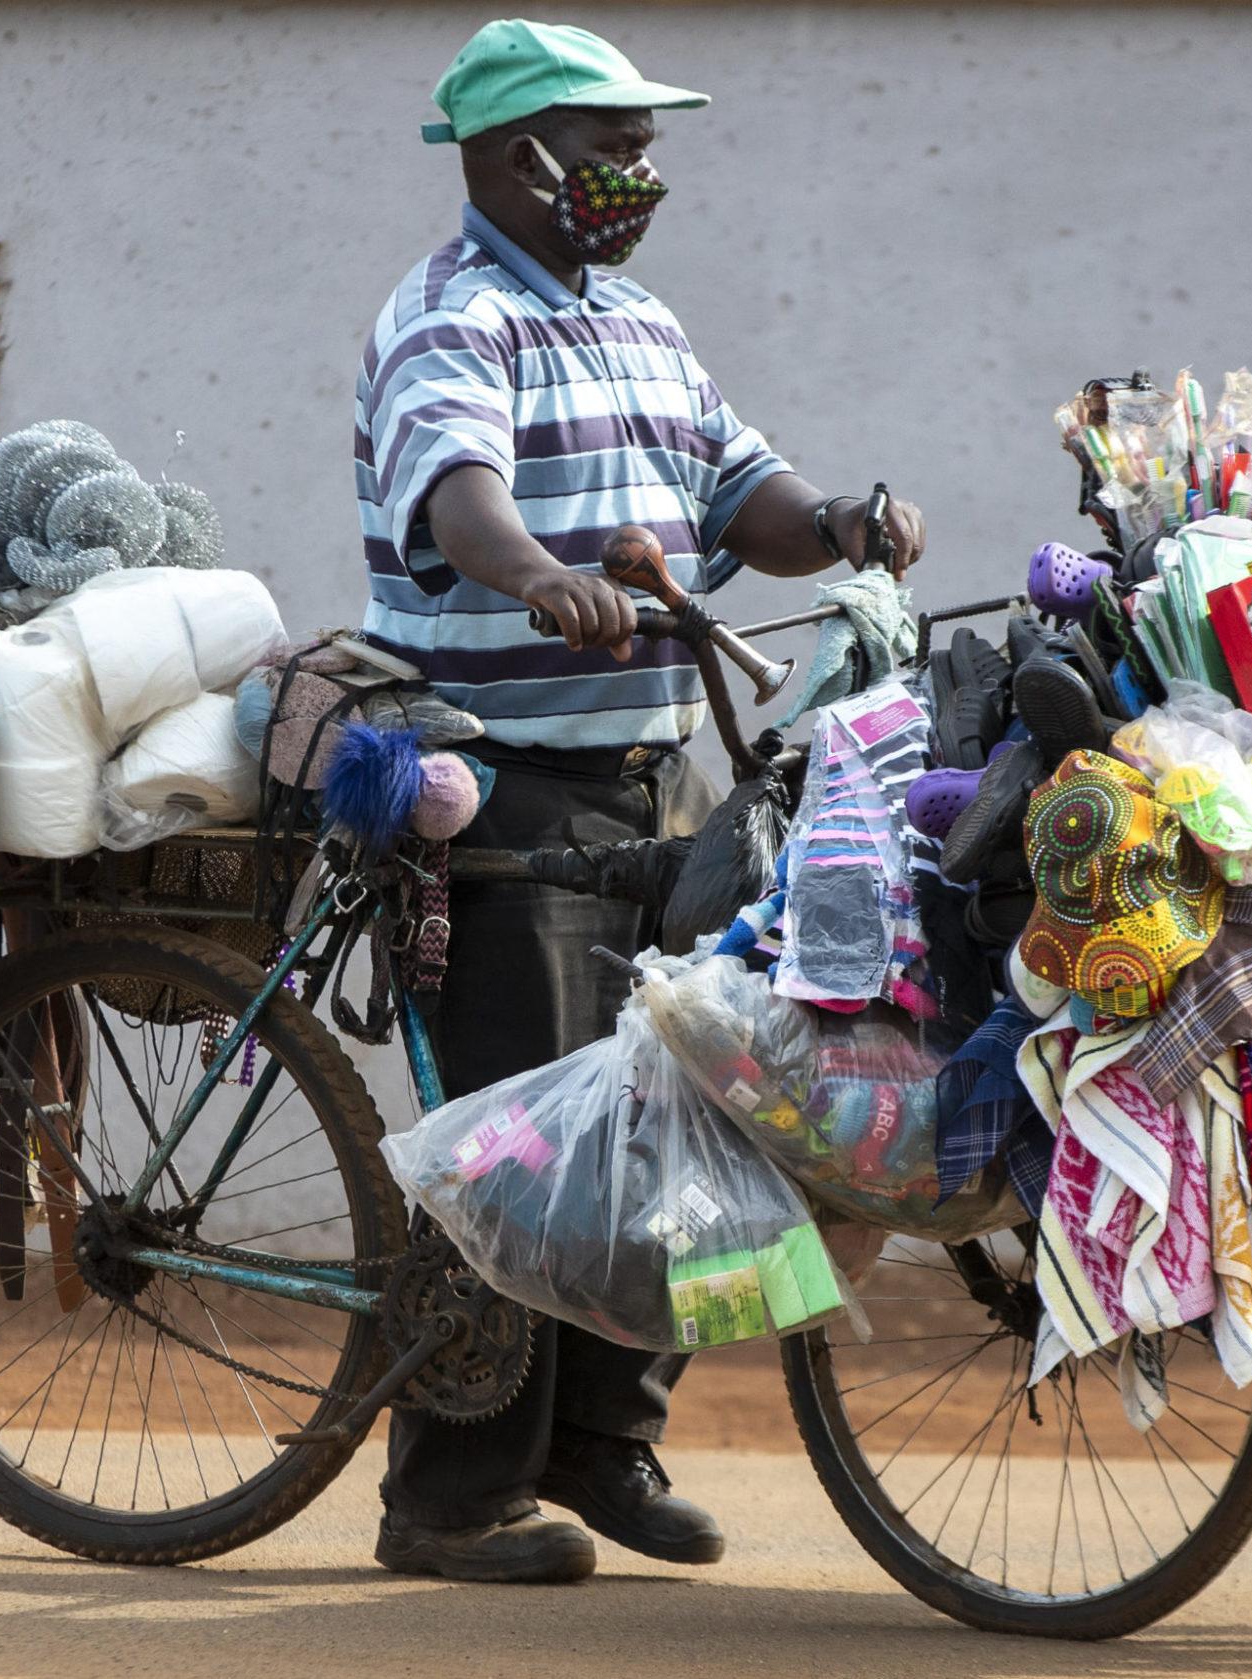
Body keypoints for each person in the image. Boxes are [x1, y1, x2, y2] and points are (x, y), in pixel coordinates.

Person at [354, 19, 925, 1585]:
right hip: (496, 783)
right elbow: (458, 496)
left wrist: (851, 521)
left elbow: (747, 494)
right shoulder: (450, 322)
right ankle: (450, 1495)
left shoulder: (642, 324)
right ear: (514, 154)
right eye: (612, 146)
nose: (640, 174)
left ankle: (605, 1440)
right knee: (524, 1145)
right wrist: (543, 579)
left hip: (649, 782)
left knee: (682, 1112)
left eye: (642, 146)